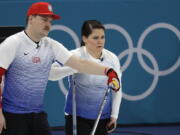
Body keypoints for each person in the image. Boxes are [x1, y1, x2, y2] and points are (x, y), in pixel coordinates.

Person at [0, 2, 120, 135]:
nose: (48, 24)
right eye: (44, 20)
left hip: (37, 114)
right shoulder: (13, 43)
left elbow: (81, 64)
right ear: (31, 19)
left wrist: (107, 71)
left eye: (50, 21)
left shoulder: (51, 45)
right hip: (12, 115)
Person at [49, 20, 122, 135]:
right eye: (95, 38)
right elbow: (51, 74)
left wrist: (114, 116)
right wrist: (73, 68)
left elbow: (117, 89)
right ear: (84, 38)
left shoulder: (112, 59)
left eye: (102, 37)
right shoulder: (75, 55)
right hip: (77, 117)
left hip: (102, 118)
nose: (100, 41)